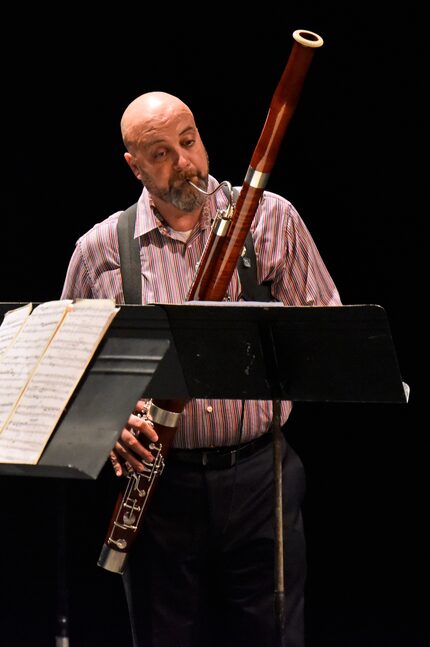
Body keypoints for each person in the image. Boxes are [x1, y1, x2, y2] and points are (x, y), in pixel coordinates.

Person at [61, 91, 342, 647]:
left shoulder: (270, 219)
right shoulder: (99, 251)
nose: (183, 162)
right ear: (133, 165)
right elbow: (70, 375)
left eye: (188, 142)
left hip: (262, 476)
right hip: (159, 488)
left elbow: (329, 341)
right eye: (160, 153)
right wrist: (107, 426)